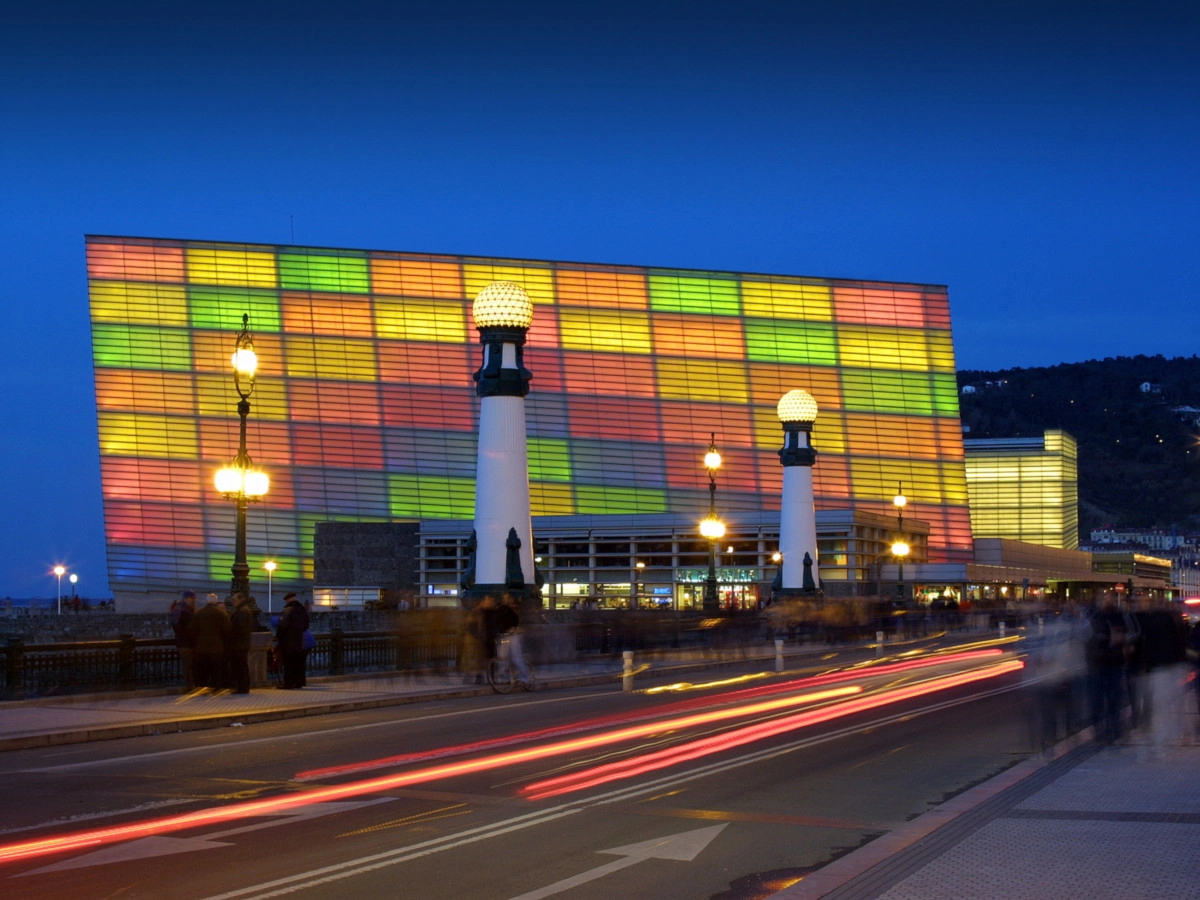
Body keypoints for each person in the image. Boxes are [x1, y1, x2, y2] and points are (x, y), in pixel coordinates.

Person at [190, 593, 231, 690]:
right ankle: (217, 687)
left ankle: (202, 687)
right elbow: (227, 629)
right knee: (216, 670)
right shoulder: (222, 613)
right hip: (217, 647)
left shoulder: (200, 613)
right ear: (216, 601)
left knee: (203, 670)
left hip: (202, 647)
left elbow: (192, 629)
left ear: (206, 601)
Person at [275, 592, 310, 689]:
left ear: (288, 600)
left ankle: (289, 683)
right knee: (298, 663)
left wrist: (279, 637)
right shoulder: (302, 610)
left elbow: (282, 626)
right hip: (298, 640)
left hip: (288, 641)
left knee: (288, 663)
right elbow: (306, 624)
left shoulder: (288, 610)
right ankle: (298, 682)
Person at [496, 595, 533, 685]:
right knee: (502, 656)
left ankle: (524, 677)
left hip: (513, 636)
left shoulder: (512, 610)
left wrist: (515, 629)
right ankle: (504, 677)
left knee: (516, 657)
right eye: (505, 598)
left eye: (508, 598)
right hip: (504, 635)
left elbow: (516, 623)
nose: (507, 600)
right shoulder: (501, 610)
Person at [228, 592, 256, 694]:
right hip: (241, 643)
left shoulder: (242, 611)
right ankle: (242, 686)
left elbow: (239, 628)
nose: (232, 602)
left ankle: (242, 687)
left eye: (234, 600)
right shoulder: (242, 610)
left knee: (241, 666)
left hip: (239, 644)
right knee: (241, 666)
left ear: (240, 600)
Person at [171, 591, 197, 690]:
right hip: (185, 642)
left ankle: (192, 684)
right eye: (192, 598)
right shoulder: (182, 610)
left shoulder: (183, 609)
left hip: (186, 642)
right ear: (186, 598)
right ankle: (190, 685)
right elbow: (177, 626)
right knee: (188, 665)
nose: (194, 600)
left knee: (190, 665)